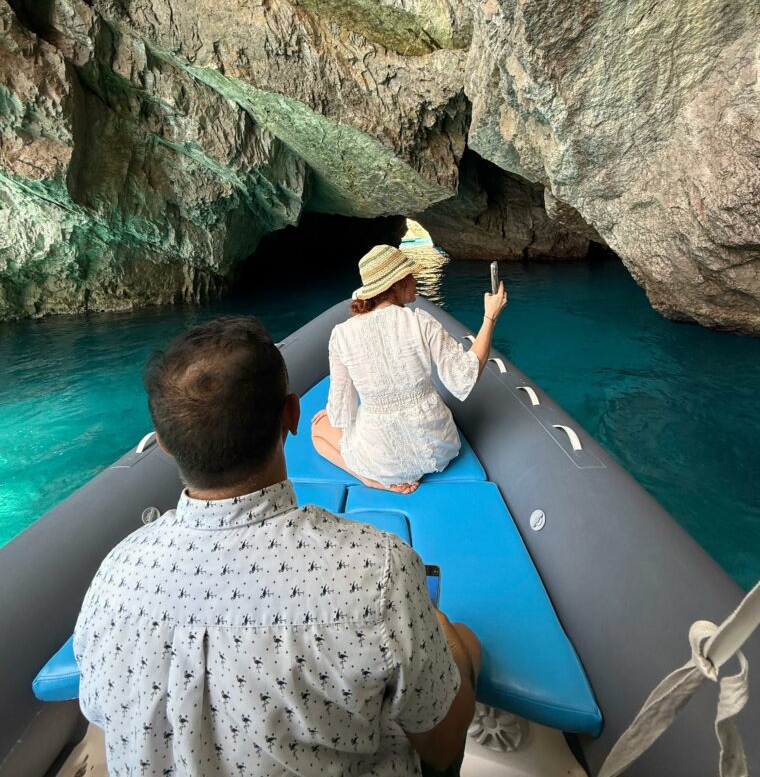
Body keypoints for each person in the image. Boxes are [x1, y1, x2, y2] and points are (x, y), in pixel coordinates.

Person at [73, 316, 481, 777]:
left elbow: (102, 714)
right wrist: (444, 634)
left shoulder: (116, 574)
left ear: (164, 444)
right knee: (464, 646)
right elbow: (442, 745)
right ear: (292, 415)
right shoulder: (377, 570)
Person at [312, 245, 508, 493]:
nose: (416, 280)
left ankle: (369, 479)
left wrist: (331, 414)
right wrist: (489, 317)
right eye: (411, 276)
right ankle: (372, 477)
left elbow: (342, 409)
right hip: (439, 450)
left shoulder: (341, 335)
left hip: (382, 461)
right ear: (396, 284)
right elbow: (464, 376)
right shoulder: (420, 321)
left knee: (318, 431)